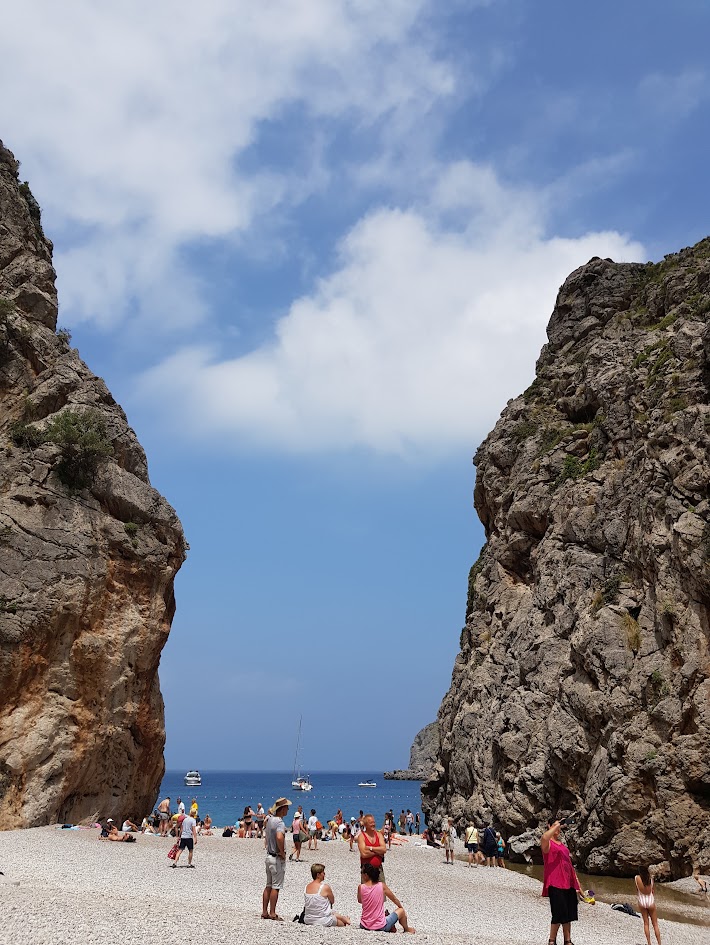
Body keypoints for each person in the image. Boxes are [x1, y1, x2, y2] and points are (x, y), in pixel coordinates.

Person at [541, 819, 582, 945]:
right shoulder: (547, 843)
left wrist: (577, 882)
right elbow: (544, 837)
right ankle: (552, 940)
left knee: (569, 913)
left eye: (558, 826)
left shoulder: (562, 844)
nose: (557, 829)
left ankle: (567, 941)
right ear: (549, 826)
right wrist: (556, 825)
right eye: (554, 826)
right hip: (555, 882)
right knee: (558, 912)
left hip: (568, 883)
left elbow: (569, 864)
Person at [358, 862, 415, 933]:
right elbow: (394, 899)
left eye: (361, 873)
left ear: (366, 875)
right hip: (380, 926)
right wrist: (401, 908)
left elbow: (360, 901)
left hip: (364, 925)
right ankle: (406, 929)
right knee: (401, 911)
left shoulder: (361, 887)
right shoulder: (381, 886)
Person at [262, 797, 291, 921]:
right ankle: (273, 913)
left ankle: (264, 912)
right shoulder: (279, 822)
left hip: (268, 856)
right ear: (282, 809)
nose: (288, 809)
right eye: (287, 807)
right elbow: (279, 837)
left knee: (268, 885)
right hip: (276, 857)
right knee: (276, 886)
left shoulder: (269, 820)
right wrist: (282, 852)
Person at [303, 863, 351, 927]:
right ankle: (345, 919)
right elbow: (332, 901)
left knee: (333, 913)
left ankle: (344, 918)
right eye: (323, 873)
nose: (324, 874)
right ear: (318, 875)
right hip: (323, 920)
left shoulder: (306, 887)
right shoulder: (325, 887)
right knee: (342, 923)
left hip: (308, 919)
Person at [635, 865, 662, 945]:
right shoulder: (650, 879)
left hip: (642, 901)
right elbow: (652, 891)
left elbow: (637, 889)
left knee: (646, 923)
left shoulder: (637, 878)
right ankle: (659, 943)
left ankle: (649, 943)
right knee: (655, 924)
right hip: (650, 901)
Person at [358, 814, 387, 883]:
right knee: (366, 892)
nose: (373, 824)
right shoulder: (361, 836)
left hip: (378, 869)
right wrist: (378, 853)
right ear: (365, 825)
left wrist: (370, 848)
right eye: (371, 823)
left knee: (382, 891)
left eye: (374, 822)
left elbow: (384, 849)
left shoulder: (379, 835)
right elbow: (364, 854)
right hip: (366, 870)